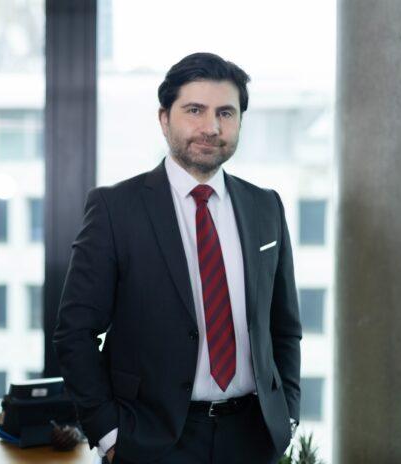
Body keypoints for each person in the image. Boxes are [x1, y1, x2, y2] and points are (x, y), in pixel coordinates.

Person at [53, 52, 301, 464]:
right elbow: (74, 333)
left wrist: (287, 416)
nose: (211, 127)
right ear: (164, 118)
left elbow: (284, 327)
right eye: (194, 110)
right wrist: (109, 434)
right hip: (151, 440)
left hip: (252, 438)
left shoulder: (265, 207)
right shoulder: (116, 209)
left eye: (226, 113)